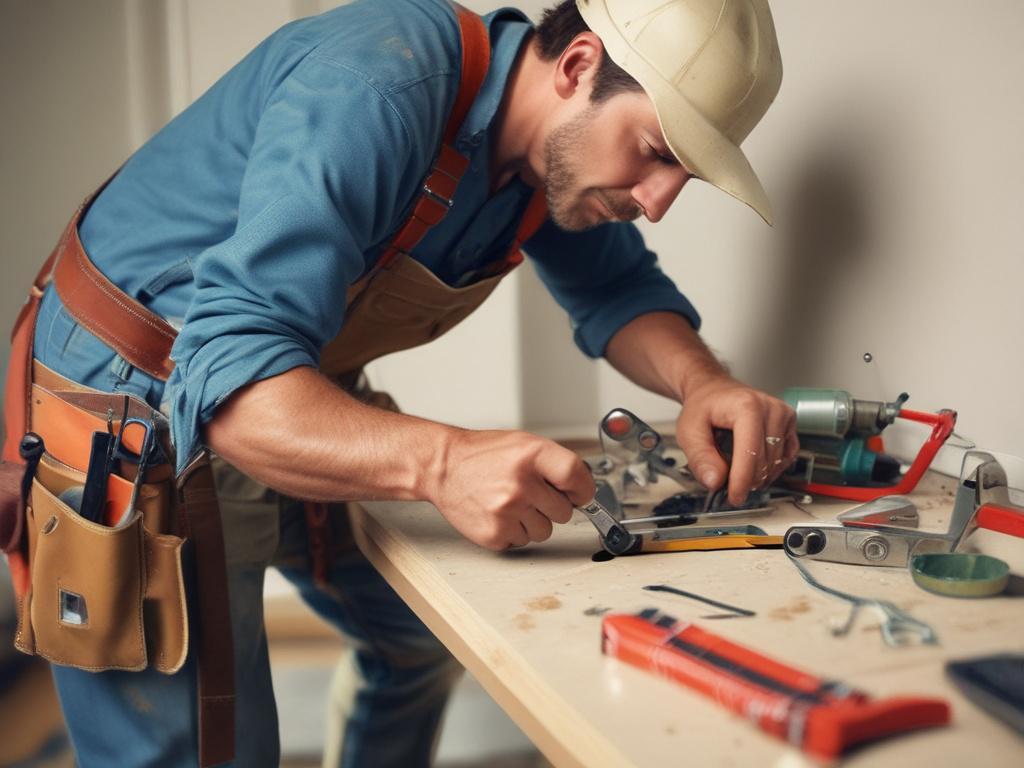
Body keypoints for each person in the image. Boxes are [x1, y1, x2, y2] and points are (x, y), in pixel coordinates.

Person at [5, 0, 796, 765]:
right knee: (211, 751)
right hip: (133, 404)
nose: (657, 203)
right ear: (580, 65)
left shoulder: (548, 157)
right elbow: (235, 388)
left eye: (684, 177)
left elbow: (618, 295)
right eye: (658, 154)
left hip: (283, 386)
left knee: (417, 637)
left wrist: (701, 384)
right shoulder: (381, 87)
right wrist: (445, 463)